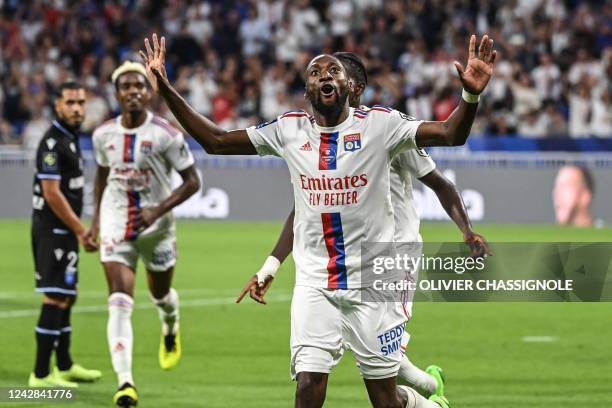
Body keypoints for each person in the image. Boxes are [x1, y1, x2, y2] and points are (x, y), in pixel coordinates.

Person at [141, 32, 496, 408]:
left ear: (349, 86)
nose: (324, 75)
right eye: (315, 72)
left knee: (384, 401)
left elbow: (449, 133)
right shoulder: (288, 130)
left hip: (376, 279)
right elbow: (215, 141)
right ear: (307, 89)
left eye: (333, 71)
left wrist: (470, 95)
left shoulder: (382, 125)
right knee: (308, 385)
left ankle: (426, 402)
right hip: (316, 284)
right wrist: (165, 88)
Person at [236, 51, 492, 399]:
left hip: (391, 257)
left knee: (382, 364)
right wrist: (271, 265)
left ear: (355, 87)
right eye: (319, 74)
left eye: (341, 76)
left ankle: (426, 393)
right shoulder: (315, 141)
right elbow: (303, 210)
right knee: (376, 361)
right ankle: (431, 387)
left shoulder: (387, 133)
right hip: (335, 265)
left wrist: (466, 229)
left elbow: (443, 183)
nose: (332, 81)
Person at [89, 61, 200, 407]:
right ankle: (125, 383)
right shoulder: (102, 135)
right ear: (117, 93)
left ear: (148, 91)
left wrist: (157, 210)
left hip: (157, 229)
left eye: (140, 85)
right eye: (127, 86)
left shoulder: (166, 134)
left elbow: (194, 182)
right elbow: (102, 176)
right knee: (119, 304)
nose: (134, 91)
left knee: (160, 295)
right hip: (115, 223)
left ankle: (170, 326)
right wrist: (95, 221)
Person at [29, 81, 101, 387]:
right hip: (53, 231)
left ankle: (66, 364)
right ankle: (41, 374)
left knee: (68, 297)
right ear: (58, 105)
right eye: (70, 102)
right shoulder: (52, 143)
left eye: (81, 103)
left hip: (64, 231)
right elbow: (52, 193)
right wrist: (81, 230)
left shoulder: (71, 139)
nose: (77, 108)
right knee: (56, 296)